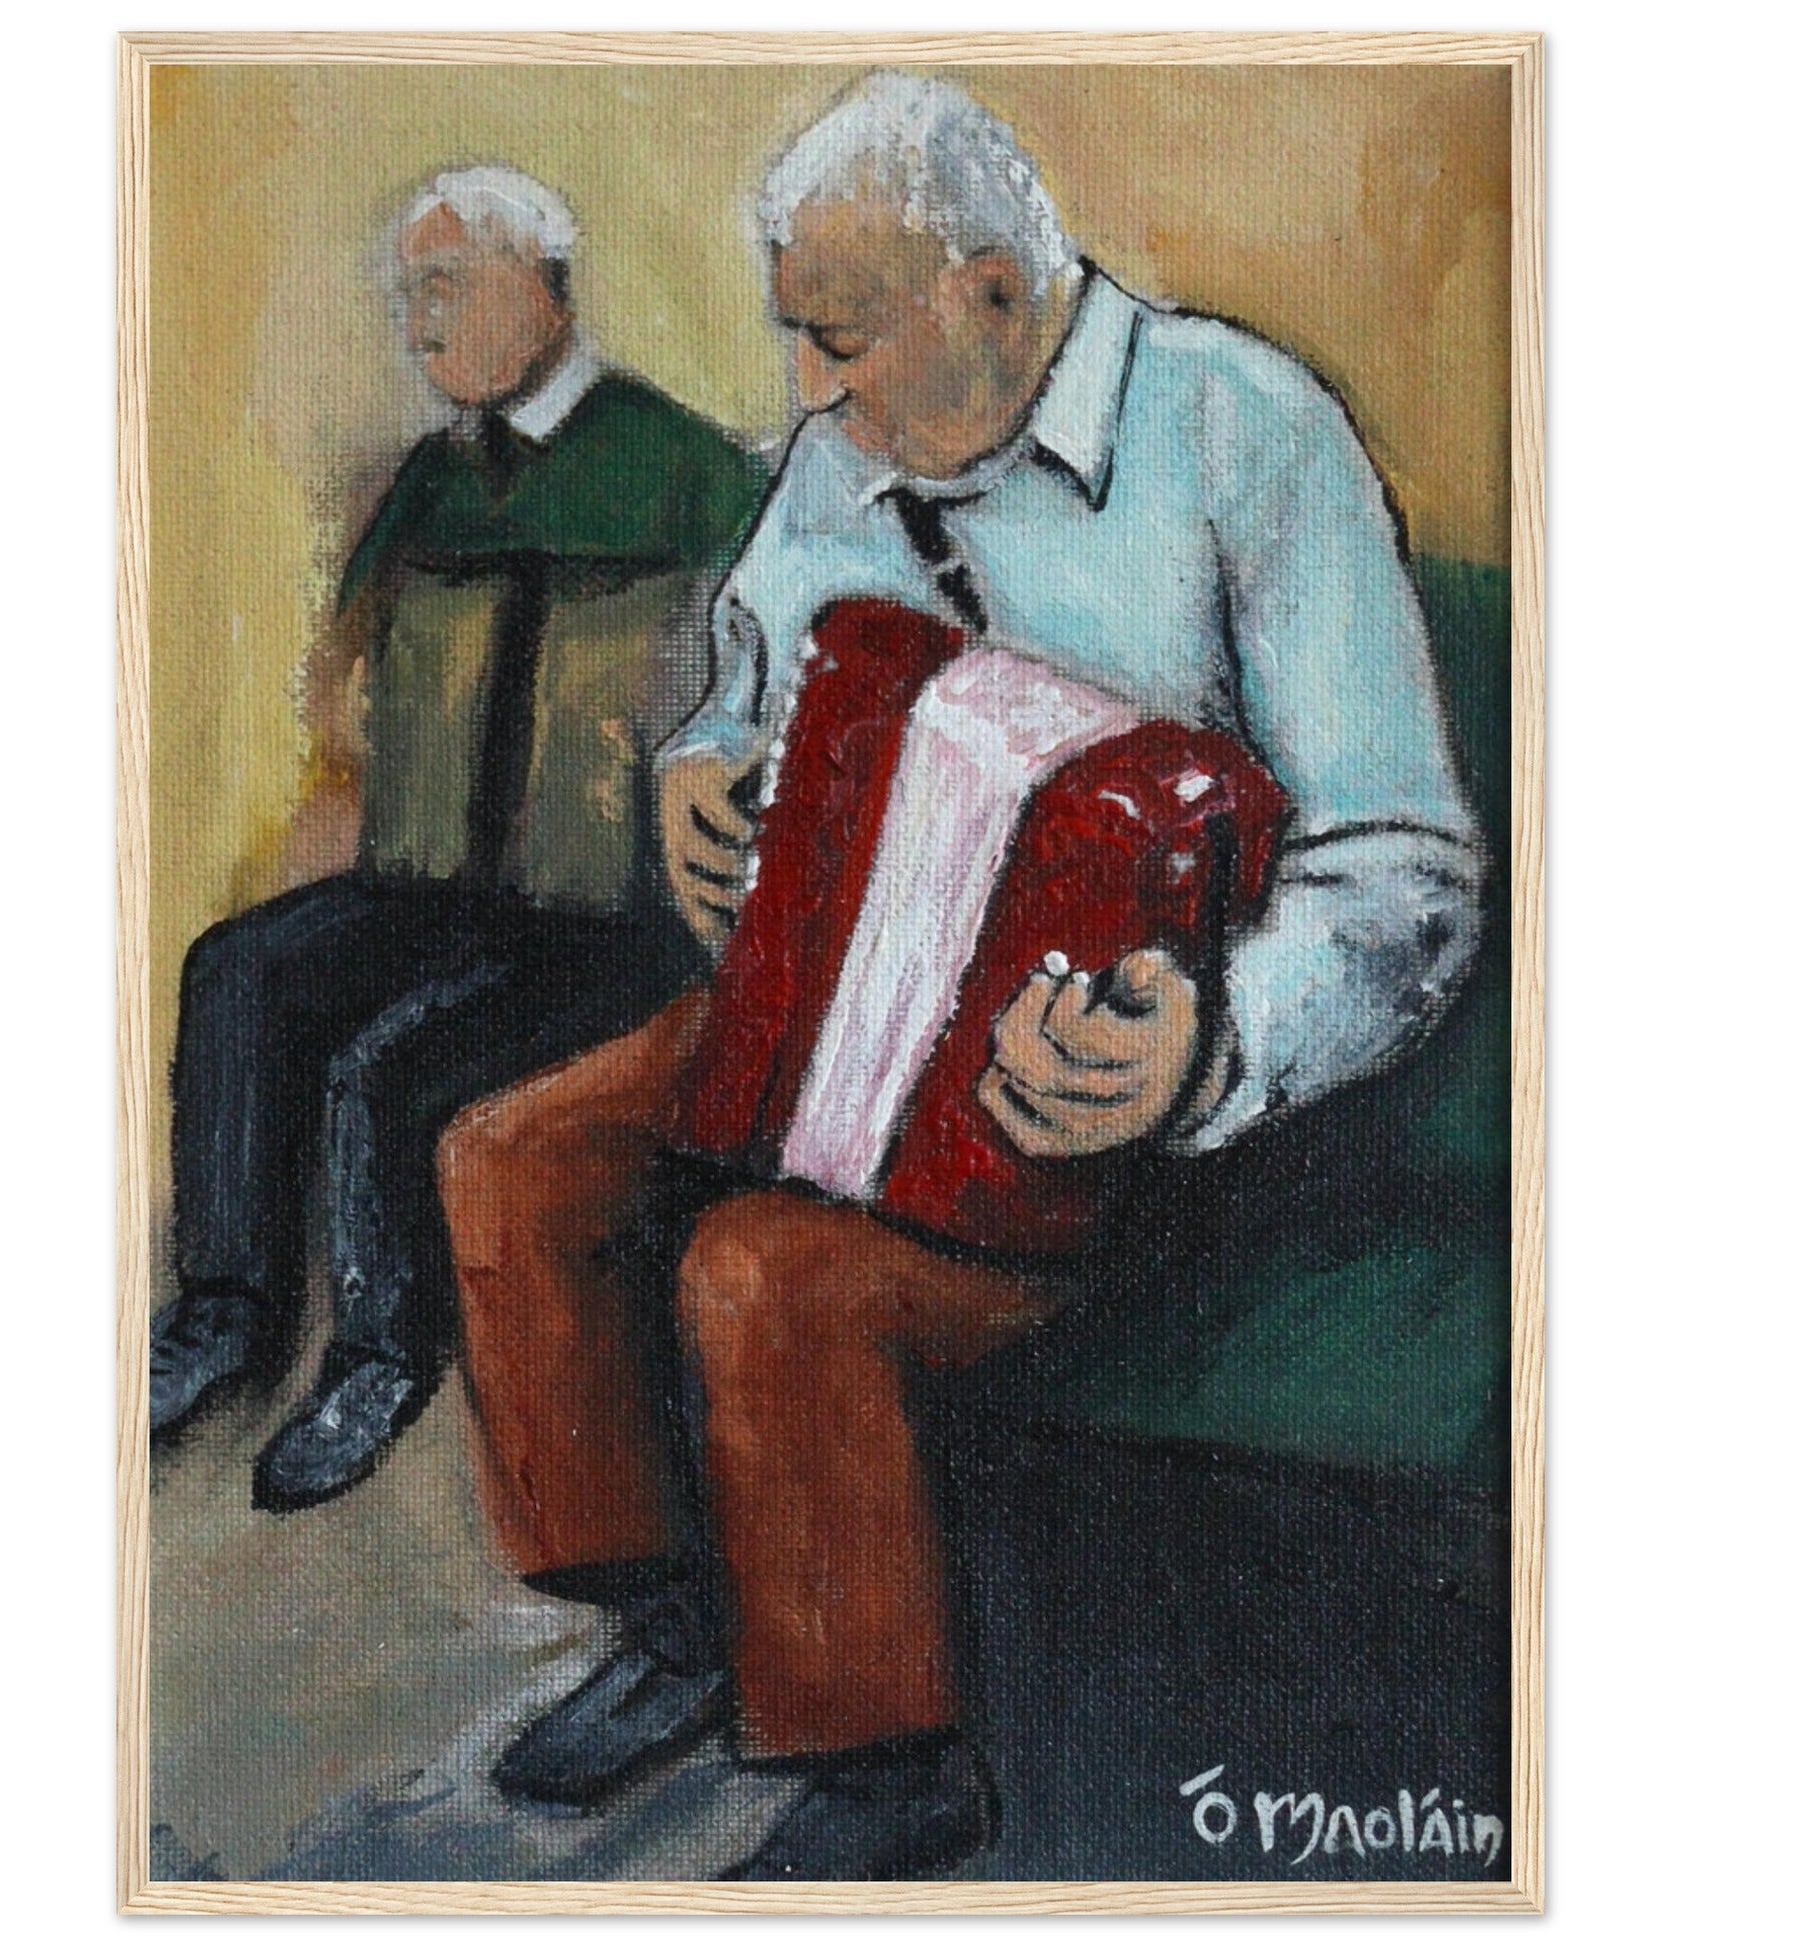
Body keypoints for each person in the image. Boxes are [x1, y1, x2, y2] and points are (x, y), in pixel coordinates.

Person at [434, 75, 1485, 1880]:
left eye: (839, 339)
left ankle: (881, 1759)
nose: (804, 394)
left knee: (764, 1267)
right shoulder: (849, 448)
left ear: (993, 293)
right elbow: (745, 693)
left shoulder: (1243, 429)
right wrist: (703, 771)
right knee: (511, 1161)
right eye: (795, 338)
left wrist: (1206, 1043)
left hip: (1114, 1082)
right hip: (840, 996)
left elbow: (1403, 866)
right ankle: (672, 1624)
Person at [151, 165, 767, 1513]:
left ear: (542, 289)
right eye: (405, 297)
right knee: (236, 967)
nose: (418, 324)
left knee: (390, 1067)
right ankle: (225, 1309)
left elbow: (768, 683)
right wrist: (352, 757)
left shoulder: (684, 466)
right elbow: (345, 671)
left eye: (444, 288)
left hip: (606, 916)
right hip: (435, 880)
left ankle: (381, 1357)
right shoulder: (434, 478)